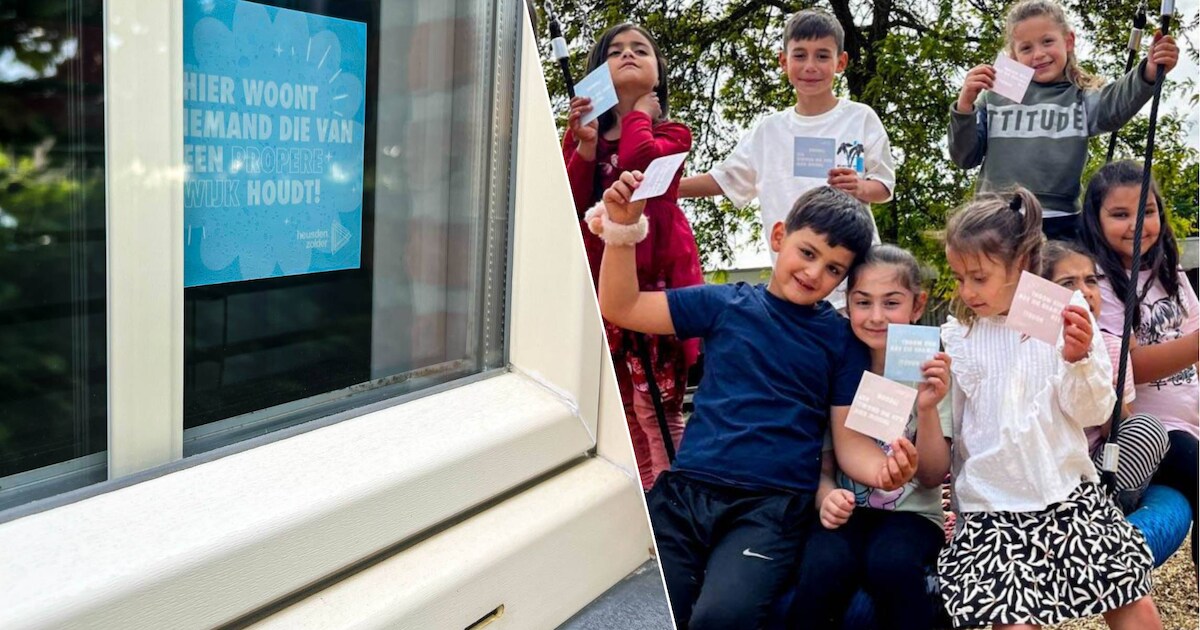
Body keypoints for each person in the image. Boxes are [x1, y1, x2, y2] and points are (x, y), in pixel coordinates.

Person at [593, 172, 917, 629]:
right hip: (687, 495)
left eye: (833, 269)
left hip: (770, 508)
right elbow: (622, 306)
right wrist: (623, 232)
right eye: (807, 253)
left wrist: (884, 471)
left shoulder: (840, 340)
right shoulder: (725, 304)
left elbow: (848, 443)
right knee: (650, 610)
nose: (813, 273)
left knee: (722, 618)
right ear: (779, 235)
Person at [937, 187, 1161, 629]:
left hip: (1066, 491)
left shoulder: (1066, 314)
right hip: (993, 508)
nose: (966, 290)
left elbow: (1094, 411)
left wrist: (1079, 360)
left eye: (978, 277)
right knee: (1012, 622)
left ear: (1021, 264)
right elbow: (962, 430)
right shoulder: (960, 335)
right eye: (959, 277)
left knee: (1133, 602)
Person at [561, 23, 702, 490]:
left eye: (641, 50)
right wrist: (583, 146)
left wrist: (639, 112)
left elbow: (640, 163)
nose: (627, 55)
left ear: (659, 72)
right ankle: (646, 494)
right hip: (606, 289)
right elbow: (573, 200)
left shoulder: (674, 132)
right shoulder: (587, 136)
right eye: (615, 51)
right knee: (622, 407)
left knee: (657, 407)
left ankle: (674, 496)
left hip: (655, 287)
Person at [677, 8, 895, 309]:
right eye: (800, 55)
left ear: (840, 62)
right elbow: (723, 178)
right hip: (797, 282)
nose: (810, 66)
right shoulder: (769, 130)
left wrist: (860, 187)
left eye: (822, 56)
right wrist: (664, 187)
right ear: (784, 61)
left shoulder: (860, 118)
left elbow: (884, 186)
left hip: (856, 280)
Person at [790, 244, 951, 629]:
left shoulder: (934, 371)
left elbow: (932, 476)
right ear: (848, 303)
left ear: (917, 305)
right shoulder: (839, 368)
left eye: (891, 303)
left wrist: (927, 408)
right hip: (849, 511)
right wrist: (827, 494)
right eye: (863, 303)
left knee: (891, 563)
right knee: (822, 566)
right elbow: (823, 461)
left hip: (914, 516)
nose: (876, 316)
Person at [948, 0, 1178, 241]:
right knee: (997, 279)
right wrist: (964, 106)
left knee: (1056, 278)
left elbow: (1114, 104)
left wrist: (1150, 71)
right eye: (1026, 48)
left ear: (1068, 42)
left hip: (1059, 222)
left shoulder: (1079, 97)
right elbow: (964, 157)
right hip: (995, 219)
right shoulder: (995, 95)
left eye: (1047, 41)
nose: (1039, 54)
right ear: (1013, 56)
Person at [1078, 160, 1199, 567]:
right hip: (1150, 435)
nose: (1136, 224)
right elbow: (1129, 369)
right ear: (1094, 220)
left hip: (1190, 424)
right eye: (1119, 214)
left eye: (1146, 211)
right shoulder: (1099, 283)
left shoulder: (1172, 274)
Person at [1039, 239, 1169, 514]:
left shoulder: (1112, 347)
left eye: (1091, 281)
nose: (1084, 292)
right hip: (1045, 469)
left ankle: (1101, 511)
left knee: (1148, 429)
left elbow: (1117, 430)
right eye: (1068, 284)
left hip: (1094, 470)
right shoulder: (1035, 349)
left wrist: (1104, 388)